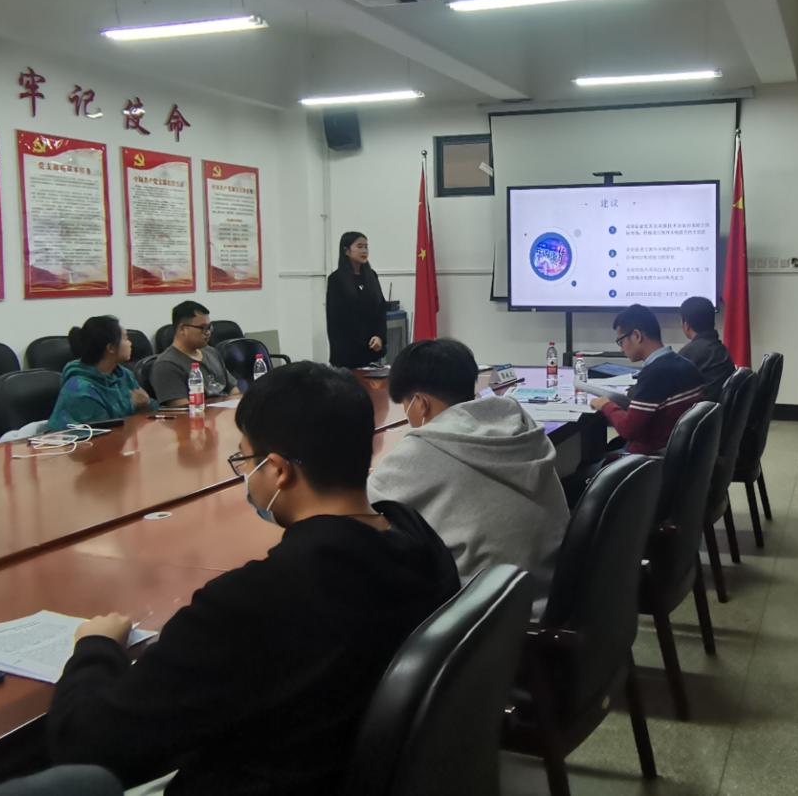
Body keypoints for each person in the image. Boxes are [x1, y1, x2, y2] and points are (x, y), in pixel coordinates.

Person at [46, 362, 460, 796]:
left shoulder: (258, 600)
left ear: (278, 470)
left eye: (246, 460)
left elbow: (85, 746)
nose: (245, 474)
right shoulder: (416, 537)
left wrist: (94, 648)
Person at [368, 339, 569, 618]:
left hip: (493, 622)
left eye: (405, 404)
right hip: (556, 594)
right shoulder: (516, 420)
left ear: (421, 403)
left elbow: (360, 506)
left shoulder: (424, 449)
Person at [589, 304, 705, 455]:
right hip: (679, 454)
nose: (621, 348)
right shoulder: (686, 364)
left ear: (636, 336)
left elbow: (628, 430)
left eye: (621, 341)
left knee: (583, 467)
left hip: (649, 461)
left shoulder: (655, 373)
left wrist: (605, 404)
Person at [46, 317, 154, 431]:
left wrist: (144, 405)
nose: (130, 343)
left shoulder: (123, 374)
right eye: (126, 339)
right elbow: (103, 432)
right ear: (111, 348)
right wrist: (140, 407)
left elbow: (151, 408)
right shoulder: (80, 390)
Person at [151, 301, 240, 406]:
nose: (208, 332)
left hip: (225, 412)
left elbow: (233, 390)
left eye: (209, 327)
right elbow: (182, 407)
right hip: (199, 414)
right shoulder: (166, 365)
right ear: (183, 329)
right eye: (202, 328)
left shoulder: (211, 352)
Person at [325, 231, 387, 368]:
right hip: (347, 353)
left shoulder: (371, 276)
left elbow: (380, 309)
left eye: (366, 247)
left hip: (372, 350)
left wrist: (380, 336)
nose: (364, 251)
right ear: (346, 251)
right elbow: (335, 319)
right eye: (359, 246)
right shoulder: (336, 279)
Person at [678, 296, 736, 401]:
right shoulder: (720, 349)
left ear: (686, 325)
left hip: (700, 409)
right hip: (716, 409)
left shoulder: (688, 354)